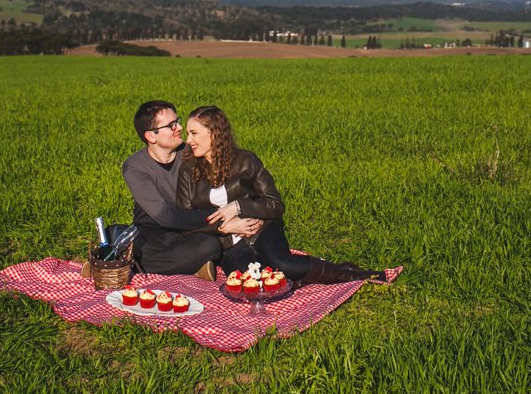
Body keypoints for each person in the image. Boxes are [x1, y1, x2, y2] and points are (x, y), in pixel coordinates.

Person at [177, 105, 385, 284]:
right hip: (229, 248)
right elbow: (184, 222)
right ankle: (297, 280)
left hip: (260, 229)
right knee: (256, 280)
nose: (188, 140)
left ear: (213, 133)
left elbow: (275, 204)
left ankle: (352, 275)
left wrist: (238, 206)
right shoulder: (187, 171)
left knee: (283, 263)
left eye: (194, 133)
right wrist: (223, 227)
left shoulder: (246, 161)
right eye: (188, 133)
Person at [122, 100, 262, 276]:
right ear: (151, 136)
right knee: (117, 235)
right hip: (152, 232)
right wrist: (222, 221)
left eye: (177, 121)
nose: (179, 127)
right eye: (171, 125)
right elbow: (164, 216)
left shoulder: (193, 150)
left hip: (189, 230)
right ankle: (189, 266)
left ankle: (128, 265)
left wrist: (239, 210)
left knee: (210, 245)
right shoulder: (134, 166)